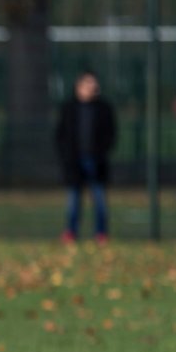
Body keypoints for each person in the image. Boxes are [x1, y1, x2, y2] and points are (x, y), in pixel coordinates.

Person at [54, 70, 117, 243]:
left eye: (94, 84)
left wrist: (102, 152)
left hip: (96, 161)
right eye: (88, 84)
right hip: (74, 161)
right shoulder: (69, 108)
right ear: (79, 87)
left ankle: (101, 233)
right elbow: (61, 135)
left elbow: (110, 134)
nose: (92, 87)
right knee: (73, 201)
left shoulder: (104, 109)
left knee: (99, 200)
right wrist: (66, 156)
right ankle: (71, 232)